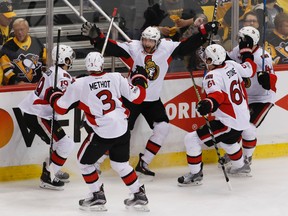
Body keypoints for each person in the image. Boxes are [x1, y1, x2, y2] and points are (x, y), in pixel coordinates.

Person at [81, 20, 219, 177]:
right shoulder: (134, 47)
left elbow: (185, 46)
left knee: (163, 127)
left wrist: (203, 31)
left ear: (158, 41)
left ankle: (144, 163)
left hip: (151, 100)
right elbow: (113, 48)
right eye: (145, 39)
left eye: (151, 40)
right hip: (132, 98)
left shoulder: (166, 48)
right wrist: (97, 38)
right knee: (119, 132)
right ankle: (96, 163)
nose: (147, 43)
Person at [45, 51, 149, 211]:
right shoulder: (116, 77)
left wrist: (54, 96)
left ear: (86, 65)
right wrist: (140, 79)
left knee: (84, 162)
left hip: (103, 132)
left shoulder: (79, 84)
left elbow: (60, 107)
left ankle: (97, 195)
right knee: (120, 164)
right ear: (102, 64)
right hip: (122, 128)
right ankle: (138, 193)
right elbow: (138, 97)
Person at [178, 43, 257, 186]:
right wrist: (247, 53)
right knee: (229, 142)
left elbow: (217, 96)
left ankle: (196, 174)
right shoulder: (232, 65)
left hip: (228, 122)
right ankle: (241, 167)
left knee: (191, 139)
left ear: (212, 60)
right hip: (243, 119)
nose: (204, 60)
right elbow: (249, 70)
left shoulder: (212, 76)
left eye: (206, 58)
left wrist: (208, 104)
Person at [18, 44, 76, 190]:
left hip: (36, 113)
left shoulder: (52, 70)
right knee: (65, 144)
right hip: (38, 114)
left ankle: (52, 169)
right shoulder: (62, 75)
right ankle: (48, 177)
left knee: (58, 144)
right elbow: (62, 102)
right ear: (66, 60)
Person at [227, 26, 277, 165]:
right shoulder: (238, 50)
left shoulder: (263, 57)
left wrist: (266, 80)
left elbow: (272, 82)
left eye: (244, 39)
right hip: (244, 98)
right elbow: (226, 61)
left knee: (248, 128)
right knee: (236, 125)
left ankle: (247, 159)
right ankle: (235, 152)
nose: (241, 41)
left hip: (262, 99)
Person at [0, 18, 46, 85]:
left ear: (27, 29)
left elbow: (46, 63)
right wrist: (17, 83)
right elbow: (7, 70)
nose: (19, 32)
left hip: (37, 87)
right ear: (14, 31)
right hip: (16, 90)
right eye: (17, 30)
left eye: (22, 29)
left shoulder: (37, 43)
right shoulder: (7, 47)